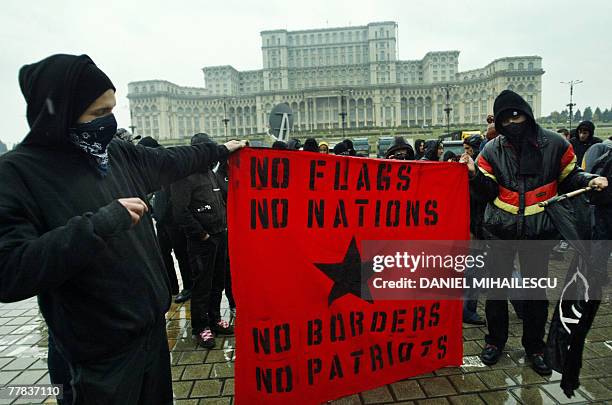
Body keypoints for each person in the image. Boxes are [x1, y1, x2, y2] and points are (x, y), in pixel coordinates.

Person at [0, 54, 245, 404]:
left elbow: (172, 161)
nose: (109, 123)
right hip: (97, 358)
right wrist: (99, 225)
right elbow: (10, 271)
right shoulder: (18, 174)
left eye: (111, 110)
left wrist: (219, 150)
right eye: (98, 114)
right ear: (59, 114)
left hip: (150, 335)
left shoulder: (115, 154)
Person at [462, 90, 607, 375]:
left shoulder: (555, 144)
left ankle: (535, 347)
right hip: (500, 233)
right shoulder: (491, 149)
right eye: (505, 119)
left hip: (539, 234)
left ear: (527, 113)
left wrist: (592, 179)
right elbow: (487, 191)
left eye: (516, 115)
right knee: (495, 293)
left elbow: (570, 178)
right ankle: (494, 342)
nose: (512, 122)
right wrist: (473, 174)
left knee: (535, 294)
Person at [171, 133, 234, 349]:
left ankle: (215, 319)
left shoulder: (210, 174)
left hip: (220, 237)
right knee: (202, 286)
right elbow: (180, 212)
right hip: (202, 242)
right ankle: (200, 327)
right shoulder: (183, 177)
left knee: (218, 283)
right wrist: (202, 234)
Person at [138, 136, 194, 302]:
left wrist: (167, 214)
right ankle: (172, 286)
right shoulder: (155, 166)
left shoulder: (168, 164)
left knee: (181, 255)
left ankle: (189, 287)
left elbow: (175, 197)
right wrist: (156, 213)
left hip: (174, 222)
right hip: (162, 222)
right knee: (164, 254)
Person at [461, 134, 486, 325]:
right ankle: (467, 311)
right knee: (473, 272)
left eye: (468, 149)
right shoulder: (470, 171)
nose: (465, 153)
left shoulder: (481, 172)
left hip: (481, 228)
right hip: (475, 230)